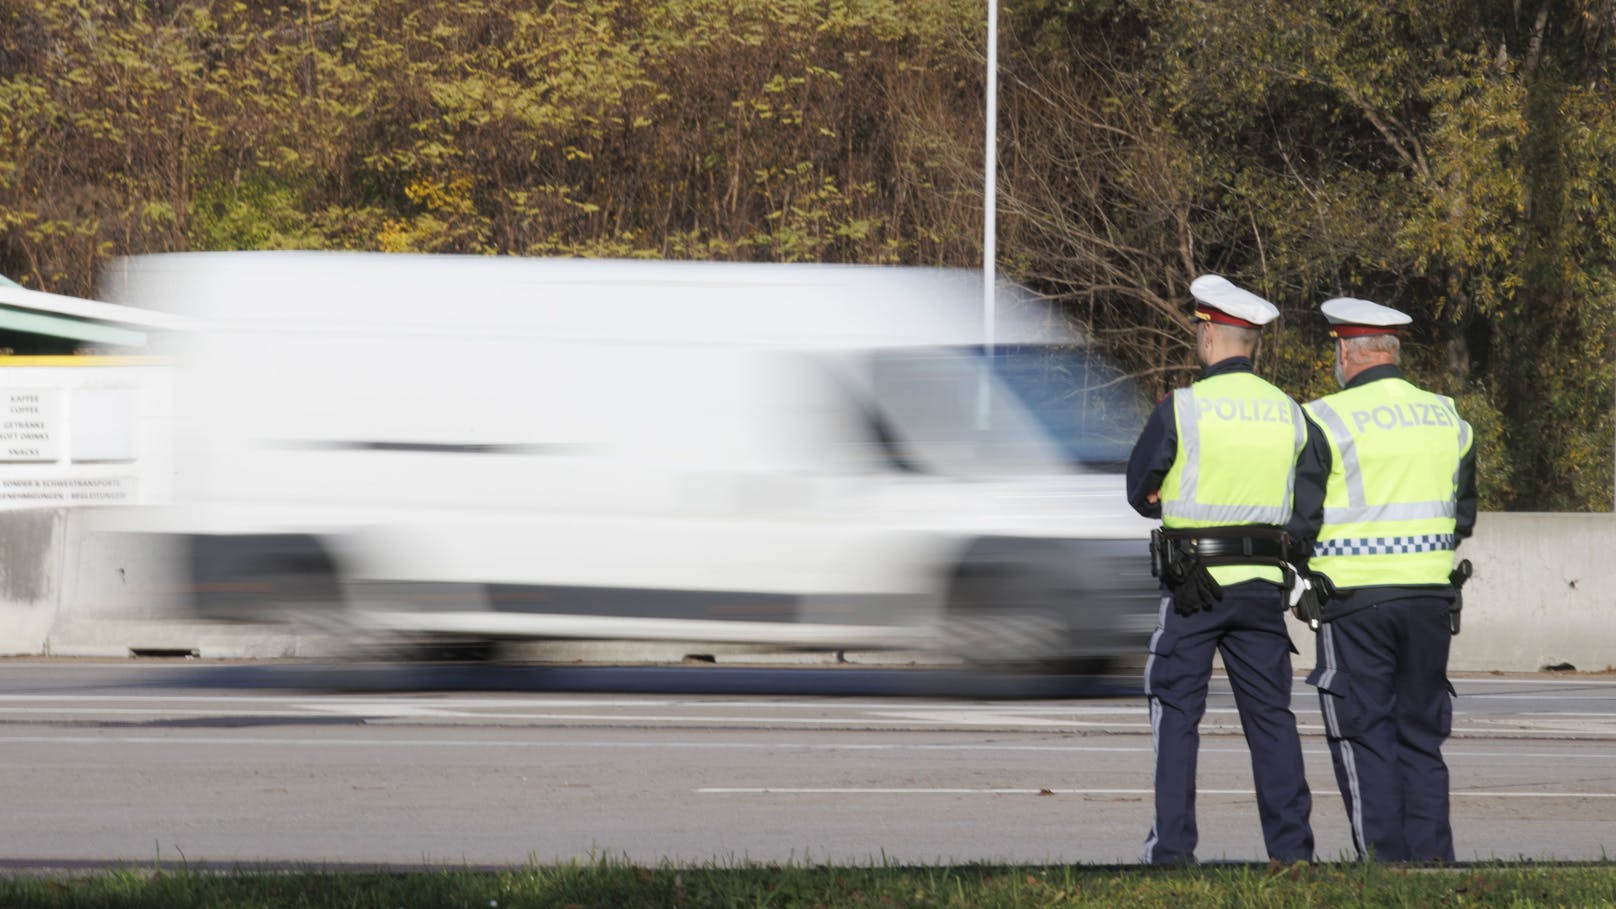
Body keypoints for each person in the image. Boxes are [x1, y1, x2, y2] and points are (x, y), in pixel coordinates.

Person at [1126, 274, 1319, 865]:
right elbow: (1308, 509)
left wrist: (1167, 497)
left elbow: (1140, 490)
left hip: (1193, 588)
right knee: (1272, 721)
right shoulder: (1290, 413)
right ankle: (1292, 853)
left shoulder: (1182, 406)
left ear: (1209, 334)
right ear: (1251, 341)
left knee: (1177, 713)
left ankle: (1173, 851)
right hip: (1263, 587)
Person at [1298, 297, 1477, 862]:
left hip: (1353, 602)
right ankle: (1432, 862)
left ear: (1347, 352)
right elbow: (1463, 515)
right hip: (1430, 599)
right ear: (1392, 351)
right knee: (1422, 737)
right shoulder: (1449, 416)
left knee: (1363, 732)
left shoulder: (1324, 417)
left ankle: (1385, 863)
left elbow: (1299, 518)